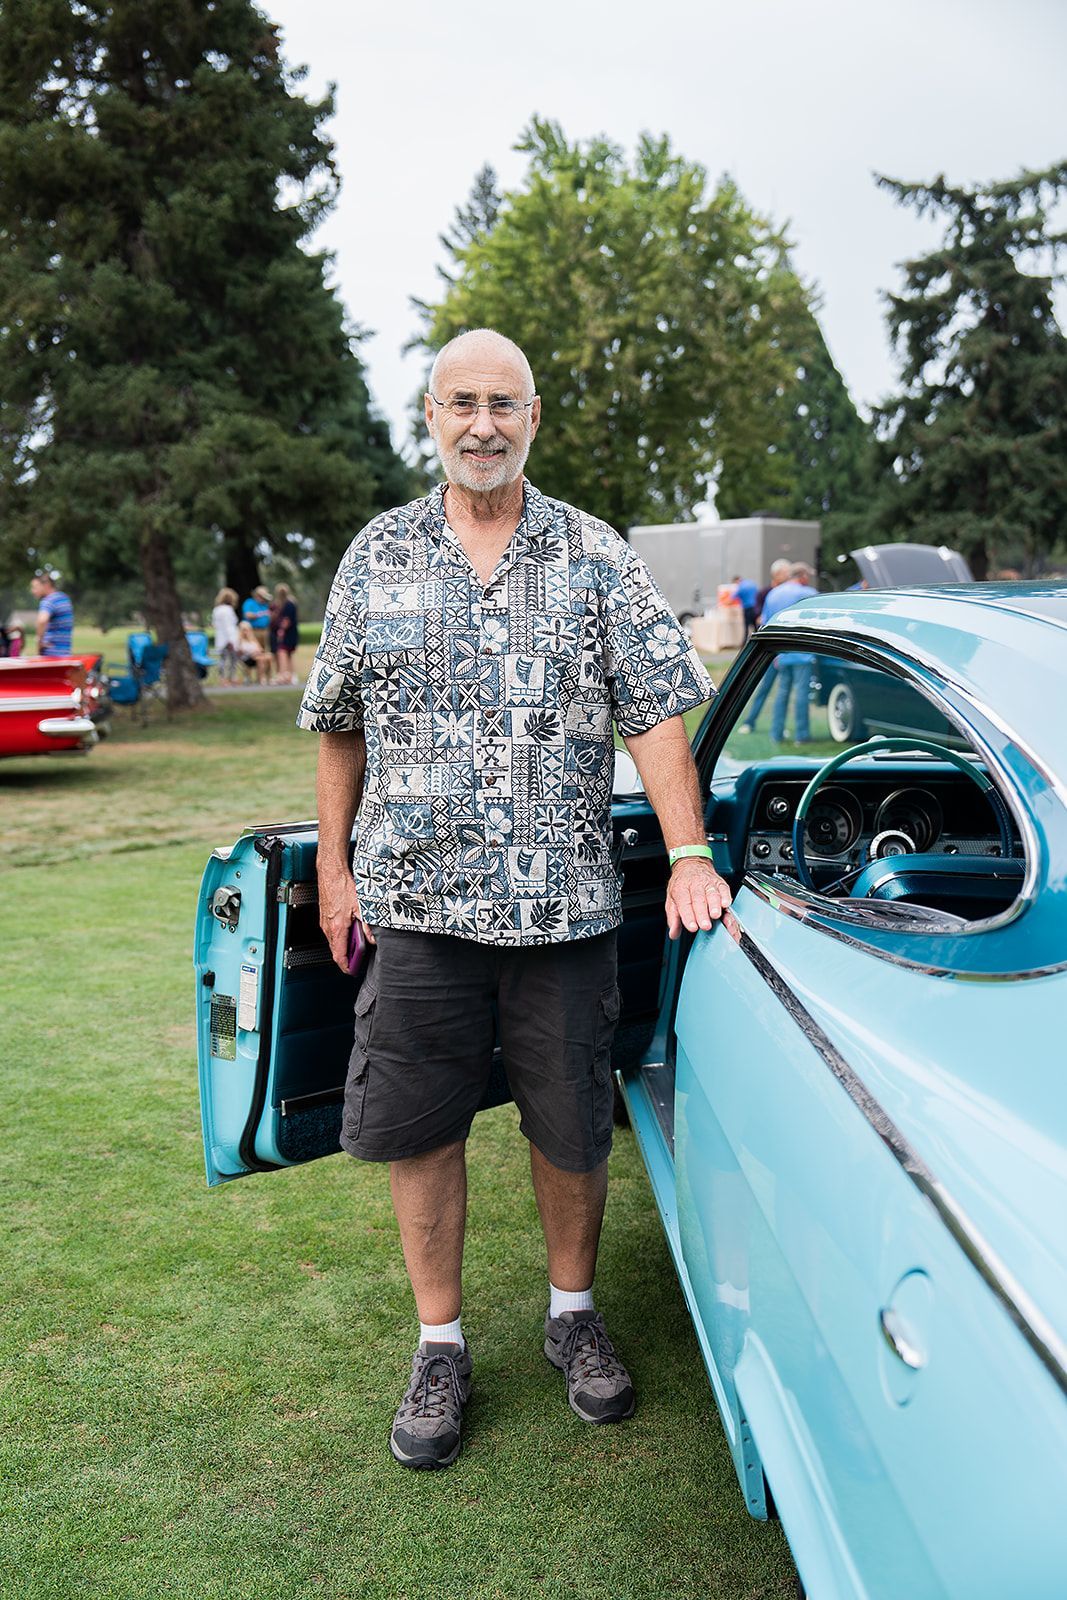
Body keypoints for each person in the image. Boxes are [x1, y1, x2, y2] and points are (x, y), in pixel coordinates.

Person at [297, 327, 732, 1472]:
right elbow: (337, 721)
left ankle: (571, 1313)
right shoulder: (375, 555)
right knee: (420, 1129)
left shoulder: (595, 555)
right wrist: (334, 868)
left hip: (565, 911)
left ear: (532, 417)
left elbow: (653, 713)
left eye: (504, 402)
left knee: (571, 1123)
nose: (482, 422)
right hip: (417, 907)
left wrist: (688, 850)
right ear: (430, 418)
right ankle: (438, 1343)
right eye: (461, 402)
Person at [760, 562, 819, 744]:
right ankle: (802, 735)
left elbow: (764, 621)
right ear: (802, 576)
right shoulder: (808, 594)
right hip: (802, 651)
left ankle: (776, 734)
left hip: (781, 652)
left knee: (782, 694)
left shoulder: (773, 594)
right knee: (801, 694)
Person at [738, 559, 792, 734]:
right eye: (786, 572)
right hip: (772, 651)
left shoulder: (789, 593)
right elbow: (759, 617)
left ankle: (779, 727)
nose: (789, 575)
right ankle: (750, 721)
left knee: (784, 692)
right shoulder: (765, 593)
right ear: (777, 575)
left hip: (786, 651)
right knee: (764, 688)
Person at [31, 572, 74, 657]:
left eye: (35, 587)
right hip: (65, 653)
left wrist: (39, 642)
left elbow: (42, 620)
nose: (33, 591)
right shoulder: (64, 598)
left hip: (51, 655)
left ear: (46, 585)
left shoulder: (48, 600)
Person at [242, 585, 273, 681]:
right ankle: (249, 677)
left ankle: (264, 676)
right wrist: (258, 615)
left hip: (265, 631)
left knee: (265, 653)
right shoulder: (249, 603)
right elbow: (247, 615)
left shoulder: (265, 604)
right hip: (253, 631)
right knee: (254, 654)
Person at [211, 587, 240, 685]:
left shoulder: (216, 610)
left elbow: (215, 624)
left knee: (222, 659)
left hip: (220, 638)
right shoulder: (228, 610)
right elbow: (229, 627)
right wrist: (231, 640)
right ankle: (231, 677)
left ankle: (222, 678)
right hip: (229, 638)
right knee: (232, 660)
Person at [272, 583, 299, 685]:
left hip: (288, 632)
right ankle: (291, 675)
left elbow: (286, 620)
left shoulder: (287, 604)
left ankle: (283, 675)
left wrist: (281, 630)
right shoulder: (292, 602)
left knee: (282, 652)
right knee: (289, 654)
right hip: (293, 632)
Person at [236, 619, 267, 684]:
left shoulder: (253, 639)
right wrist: (251, 653)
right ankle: (261, 678)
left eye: (247, 629)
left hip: (256, 657)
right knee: (260, 658)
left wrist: (257, 652)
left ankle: (265, 677)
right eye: (244, 630)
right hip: (246, 659)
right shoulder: (239, 640)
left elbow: (260, 649)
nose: (246, 632)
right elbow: (240, 651)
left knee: (269, 656)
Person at [729, 574, 759, 640]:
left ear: (737, 581)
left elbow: (732, 598)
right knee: (755, 626)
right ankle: (758, 639)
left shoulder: (741, 587)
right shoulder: (751, 583)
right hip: (755, 608)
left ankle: (744, 642)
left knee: (746, 627)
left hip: (747, 608)